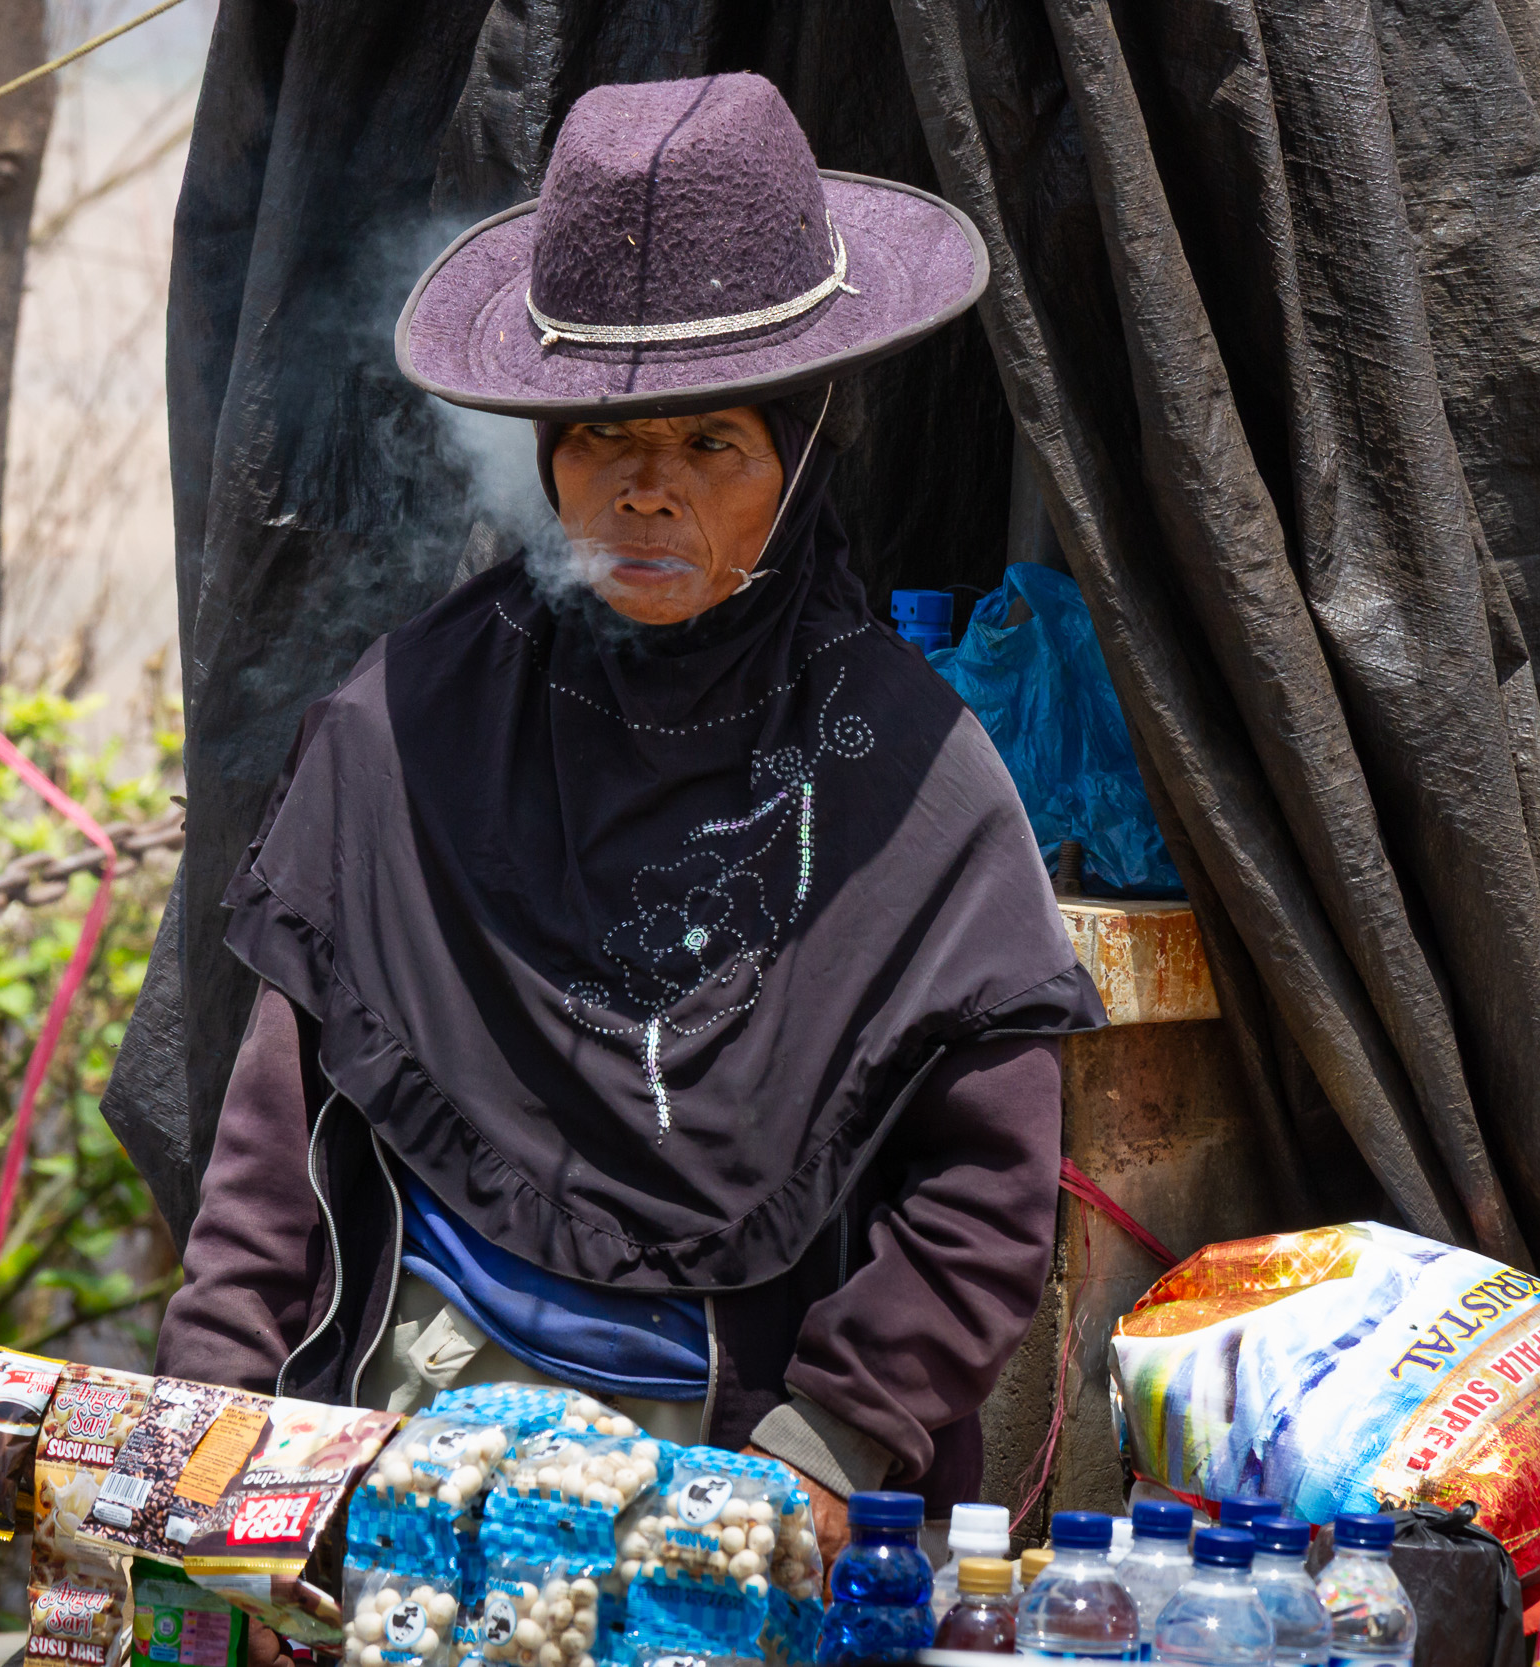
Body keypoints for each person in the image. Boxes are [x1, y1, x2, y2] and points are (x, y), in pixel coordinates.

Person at [153, 72, 1103, 1575]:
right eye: (607, 442)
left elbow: (985, 1196)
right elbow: (272, 1155)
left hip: (748, 1488)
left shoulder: (906, 775)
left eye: (713, 444)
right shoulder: (403, 727)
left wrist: (830, 1451)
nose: (648, 497)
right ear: (543, 452)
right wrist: (208, 1444)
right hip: (406, 1467)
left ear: (797, 457)